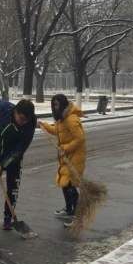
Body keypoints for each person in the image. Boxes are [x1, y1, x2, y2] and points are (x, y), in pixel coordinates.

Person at [0, 98, 36, 229]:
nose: (23, 122)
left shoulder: (30, 123)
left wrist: (4, 165)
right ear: (15, 112)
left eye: (26, 120)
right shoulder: (4, 108)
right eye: (21, 118)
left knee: (12, 186)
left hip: (14, 156)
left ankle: (8, 217)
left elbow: (20, 149)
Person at [38, 93, 86, 228]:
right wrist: (43, 125)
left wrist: (65, 148)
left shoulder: (71, 119)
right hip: (66, 157)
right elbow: (57, 131)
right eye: (53, 105)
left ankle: (77, 215)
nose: (55, 107)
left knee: (70, 185)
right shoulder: (62, 119)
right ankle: (69, 209)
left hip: (75, 157)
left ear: (63, 104)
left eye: (57, 104)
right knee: (64, 183)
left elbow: (80, 138)